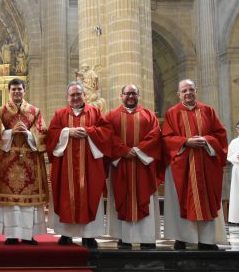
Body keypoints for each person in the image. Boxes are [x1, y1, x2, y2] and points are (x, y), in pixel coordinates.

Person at [162, 79, 228, 250]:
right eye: (184, 90)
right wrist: (186, 142)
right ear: (179, 94)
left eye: (191, 89)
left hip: (206, 164)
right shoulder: (172, 113)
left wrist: (206, 140)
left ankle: (207, 240)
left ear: (196, 90)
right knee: (181, 201)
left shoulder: (208, 111)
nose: (188, 93)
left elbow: (220, 135)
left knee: (206, 201)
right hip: (182, 166)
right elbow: (166, 138)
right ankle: (183, 238)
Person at [46, 82, 112, 248]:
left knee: (90, 194)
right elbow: (51, 134)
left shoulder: (95, 112)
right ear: (67, 97)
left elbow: (107, 132)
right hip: (65, 168)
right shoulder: (60, 114)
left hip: (89, 167)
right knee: (65, 198)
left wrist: (89, 132)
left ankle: (88, 235)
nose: (75, 98)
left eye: (78, 94)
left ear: (84, 95)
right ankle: (66, 234)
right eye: (72, 95)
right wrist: (67, 132)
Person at [0, 78, 49, 245]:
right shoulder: (1, 111)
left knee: (29, 205)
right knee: (10, 202)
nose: (17, 92)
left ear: (24, 91)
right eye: (13, 89)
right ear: (9, 91)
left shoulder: (35, 111)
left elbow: (43, 135)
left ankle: (29, 235)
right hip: (7, 163)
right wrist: (9, 133)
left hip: (30, 163)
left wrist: (28, 134)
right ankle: (11, 235)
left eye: (19, 89)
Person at [105, 84, 161, 249]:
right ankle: (124, 237)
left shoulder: (149, 115)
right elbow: (108, 136)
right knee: (122, 198)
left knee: (145, 198)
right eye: (127, 93)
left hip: (143, 166)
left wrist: (137, 150)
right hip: (121, 165)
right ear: (121, 95)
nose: (131, 96)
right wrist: (123, 151)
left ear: (139, 95)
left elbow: (155, 135)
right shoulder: (111, 116)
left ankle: (147, 237)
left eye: (134, 93)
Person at [228, 121, 239, 224]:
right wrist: (238, 157)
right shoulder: (234, 142)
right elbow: (229, 156)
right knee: (238, 193)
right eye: (238, 128)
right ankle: (238, 219)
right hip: (237, 170)